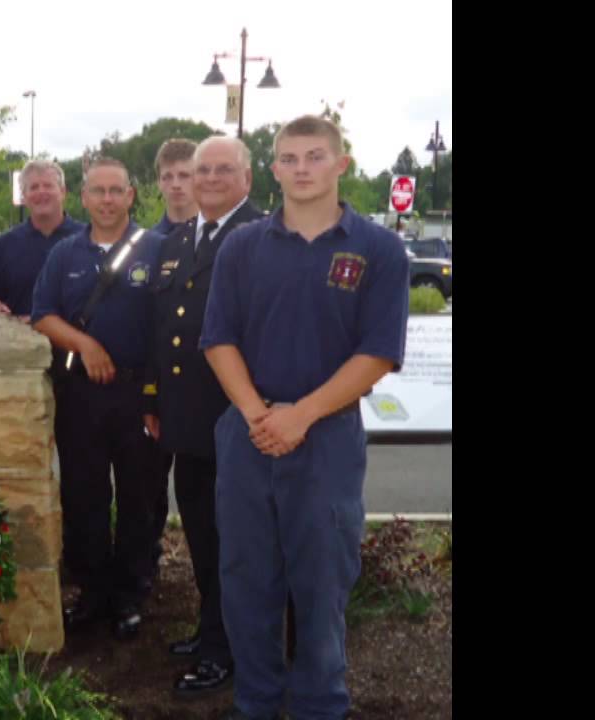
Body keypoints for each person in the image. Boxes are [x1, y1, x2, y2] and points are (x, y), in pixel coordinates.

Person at [200, 115, 409, 720]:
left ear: (341, 164)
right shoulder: (242, 247)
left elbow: (377, 354)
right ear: (273, 170)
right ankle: (256, 703)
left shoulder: (377, 249)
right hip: (248, 432)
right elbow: (218, 339)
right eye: (289, 158)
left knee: (322, 580)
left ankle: (321, 704)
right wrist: (258, 415)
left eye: (315, 156)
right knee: (246, 579)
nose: (302, 169)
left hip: (327, 438)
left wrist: (301, 417)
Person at [143, 136, 264, 697]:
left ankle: (229, 650)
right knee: (201, 535)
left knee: (235, 544)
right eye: (201, 171)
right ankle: (211, 628)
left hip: (236, 418)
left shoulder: (261, 236)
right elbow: (163, 327)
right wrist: (152, 398)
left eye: (222, 170)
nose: (208, 179)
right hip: (187, 420)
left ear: (247, 178)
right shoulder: (178, 240)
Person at [30, 157, 163, 641]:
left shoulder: (156, 249)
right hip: (81, 394)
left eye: (116, 191)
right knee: (84, 494)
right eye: (98, 191)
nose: (107, 200)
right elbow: (43, 314)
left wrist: (155, 397)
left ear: (131, 195)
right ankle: (93, 592)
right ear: (83, 198)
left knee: (139, 496)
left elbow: (168, 327)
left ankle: (130, 594)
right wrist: (84, 345)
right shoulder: (65, 254)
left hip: (138, 394)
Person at [140, 137, 202, 594]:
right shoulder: (148, 244)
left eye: (186, 175)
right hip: (159, 392)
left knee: (203, 496)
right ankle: (146, 566)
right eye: (169, 177)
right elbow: (147, 326)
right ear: (158, 182)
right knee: (147, 488)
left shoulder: (222, 238)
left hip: (206, 392)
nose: (178, 185)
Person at [0, 159, 85, 317]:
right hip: (19, 333)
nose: (41, 192)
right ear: (24, 196)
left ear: (63, 192)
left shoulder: (88, 240)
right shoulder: (4, 246)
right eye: (34, 187)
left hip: (76, 333)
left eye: (48, 185)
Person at [152, 138, 200, 235]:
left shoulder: (222, 237)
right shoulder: (148, 242)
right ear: (159, 182)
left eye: (184, 176)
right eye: (167, 177)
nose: (175, 185)